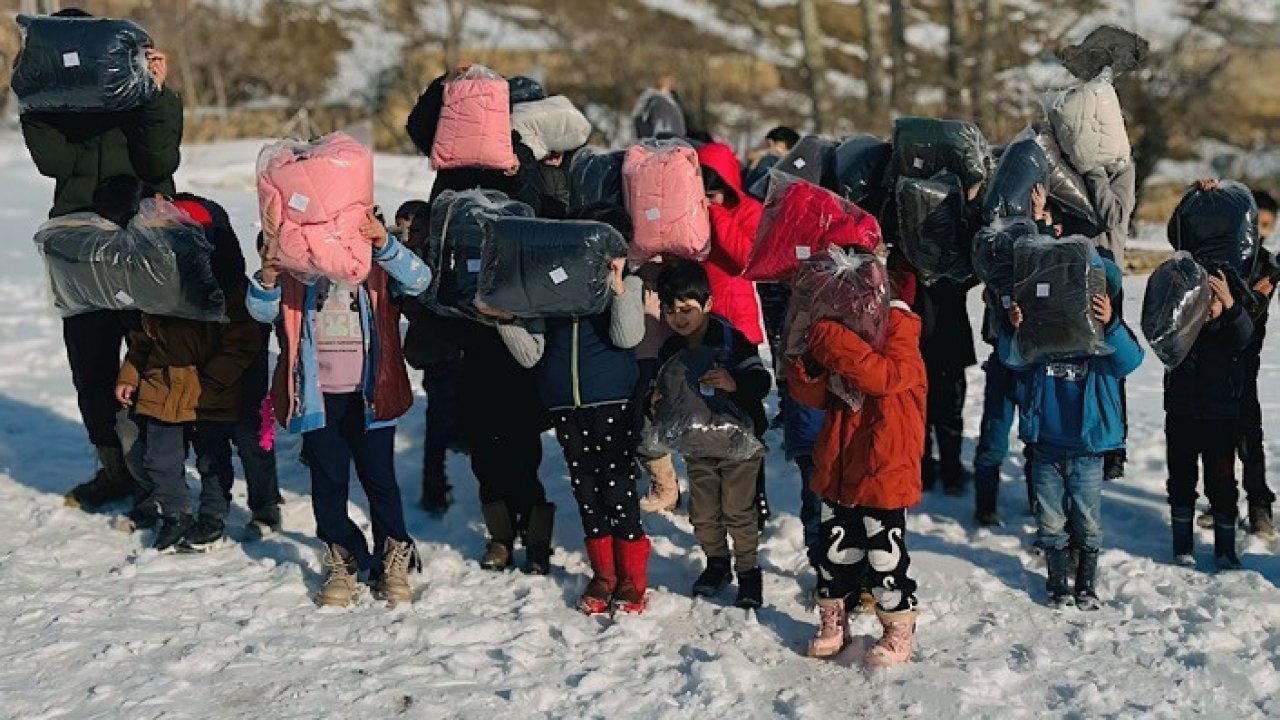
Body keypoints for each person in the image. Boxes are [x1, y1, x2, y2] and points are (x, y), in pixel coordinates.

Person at [20, 7, 183, 511]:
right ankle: (114, 470)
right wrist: (32, 98)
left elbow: (159, 163)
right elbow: (56, 163)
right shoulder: (53, 106)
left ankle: (159, 480)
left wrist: (154, 92)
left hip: (143, 239)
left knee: (151, 360)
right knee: (90, 366)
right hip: (78, 247)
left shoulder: (135, 92)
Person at [246, 207, 430, 607]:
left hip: (371, 395)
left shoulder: (375, 265)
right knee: (328, 481)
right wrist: (271, 275)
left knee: (379, 480)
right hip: (318, 396)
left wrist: (384, 244)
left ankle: (392, 555)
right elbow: (260, 311)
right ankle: (343, 555)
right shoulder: (297, 269)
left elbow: (420, 280)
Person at [494, 203, 650, 613]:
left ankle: (631, 580)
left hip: (612, 398)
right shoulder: (555, 292)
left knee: (617, 487)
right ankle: (603, 575)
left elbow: (627, 335)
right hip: (565, 402)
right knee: (585, 489)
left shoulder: (629, 285)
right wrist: (506, 319)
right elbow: (531, 356)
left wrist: (618, 289)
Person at [110, 187, 263, 552]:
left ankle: (212, 516)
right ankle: (175, 515)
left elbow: (243, 341)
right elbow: (142, 340)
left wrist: (214, 379)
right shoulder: (156, 293)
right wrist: (130, 376)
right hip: (161, 388)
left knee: (213, 460)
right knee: (159, 459)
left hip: (209, 391)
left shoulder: (225, 292)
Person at [787, 269, 926, 666]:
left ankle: (898, 625)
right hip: (840, 458)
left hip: (884, 465)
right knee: (835, 550)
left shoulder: (901, 330)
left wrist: (830, 339)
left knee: (885, 557)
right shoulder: (849, 336)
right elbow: (812, 395)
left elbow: (883, 376)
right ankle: (834, 619)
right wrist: (806, 359)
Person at [1005, 259, 1143, 609]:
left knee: (1087, 521)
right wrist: (1016, 329)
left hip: (1087, 448)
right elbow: (1014, 360)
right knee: (1050, 521)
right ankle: (1057, 583)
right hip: (1046, 447)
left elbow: (1132, 360)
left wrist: (1109, 322)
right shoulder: (1042, 335)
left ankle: (1086, 584)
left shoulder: (1105, 342)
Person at [656, 261, 770, 609]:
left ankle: (749, 570)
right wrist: (657, 403)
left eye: (687, 309)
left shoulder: (732, 340)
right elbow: (664, 392)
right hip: (697, 444)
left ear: (706, 304)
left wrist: (735, 383)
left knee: (738, 510)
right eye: (671, 310)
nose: (680, 318)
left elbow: (761, 382)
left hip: (738, 444)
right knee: (704, 512)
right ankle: (717, 563)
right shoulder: (670, 351)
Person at [1163, 248, 1254, 569]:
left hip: (1221, 418)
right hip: (1182, 414)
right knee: (1181, 480)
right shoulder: (1180, 329)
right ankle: (1182, 545)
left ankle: (1225, 549)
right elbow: (1159, 330)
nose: (1209, 307)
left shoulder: (1230, 327)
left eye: (1214, 299)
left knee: (1222, 482)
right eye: (1204, 298)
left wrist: (1228, 303)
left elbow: (1244, 335)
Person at [696, 141, 771, 526]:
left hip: (738, 323)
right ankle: (715, 494)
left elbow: (746, 257)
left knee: (745, 412)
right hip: (701, 324)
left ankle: (754, 494)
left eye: (714, 191)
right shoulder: (692, 210)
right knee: (707, 415)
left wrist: (716, 215)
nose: (708, 199)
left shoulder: (749, 211)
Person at [1198, 190, 1278, 537]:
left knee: (1249, 440)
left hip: (1244, 365)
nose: (1259, 231)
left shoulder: (1269, 266)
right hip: (1211, 363)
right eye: (1255, 223)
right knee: (1215, 439)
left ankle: (1260, 507)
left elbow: (1253, 311)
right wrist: (1204, 196)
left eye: (1266, 225)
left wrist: (1241, 301)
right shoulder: (1215, 255)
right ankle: (1220, 504)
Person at [396, 200, 462, 515]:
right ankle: (433, 488)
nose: (409, 234)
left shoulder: (441, 257)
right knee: (437, 424)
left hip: (451, 350)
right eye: (403, 227)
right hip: (436, 354)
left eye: (416, 227)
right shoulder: (405, 262)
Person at [1082, 158, 1137, 482]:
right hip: (1071, 272)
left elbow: (1112, 215)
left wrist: (1093, 170)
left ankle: (1114, 449)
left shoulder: (1122, 170)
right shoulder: (1068, 164)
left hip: (1107, 278)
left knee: (1111, 365)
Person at [919, 279, 977, 496]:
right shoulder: (955, 257)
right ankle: (949, 474)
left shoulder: (910, 253)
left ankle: (928, 472)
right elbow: (975, 273)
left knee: (922, 415)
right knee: (948, 415)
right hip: (949, 342)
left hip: (921, 342)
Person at [631, 73, 688, 140]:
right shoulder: (650, 97)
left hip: (675, 141)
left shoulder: (673, 98)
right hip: (657, 142)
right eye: (668, 78)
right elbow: (639, 119)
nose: (672, 81)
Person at [743, 126, 800, 190]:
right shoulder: (766, 158)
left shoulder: (770, 159)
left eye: (774, 144)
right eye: (768, 145)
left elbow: (750, 187)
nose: (771, 148)